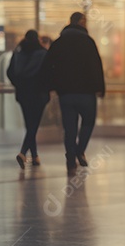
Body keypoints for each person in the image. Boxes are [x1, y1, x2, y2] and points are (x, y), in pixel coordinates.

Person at [42, 11, 106, 175]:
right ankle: (79, 150)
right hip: (86, 93)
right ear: (80, 23)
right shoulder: (88, 42)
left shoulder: (59, 42)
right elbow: (96, 66)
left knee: (69, 127)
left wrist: (52, 86)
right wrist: (100, 88)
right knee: (88, 122)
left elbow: (47, 66)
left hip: (66, 94)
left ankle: (71, 157)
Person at [7, 29, 50, 168]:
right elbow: (48, 73)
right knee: (33, 126)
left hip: (23, 94)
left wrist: (18, 84)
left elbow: (10, 72)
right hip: (39, 94)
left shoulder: (18, 53)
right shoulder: (43, 54)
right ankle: (23, 153)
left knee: (30, 125)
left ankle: (35, 156)